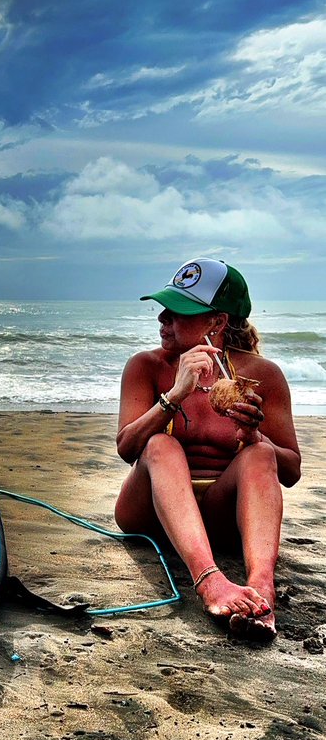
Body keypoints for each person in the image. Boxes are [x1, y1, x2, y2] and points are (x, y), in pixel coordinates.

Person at [114, 258, 301, 642]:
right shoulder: (146, 366)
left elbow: (291, 470)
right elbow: (127, 448)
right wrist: (173, 396)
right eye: (164, 309)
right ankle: (209, 580)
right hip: (150, 512)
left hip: (222, 515)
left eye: (178, 312)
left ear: (217, 322)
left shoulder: (262, 375)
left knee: (260, 454)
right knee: (161, 444)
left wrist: (256, 437)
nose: (163, 319)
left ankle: (261, 589)